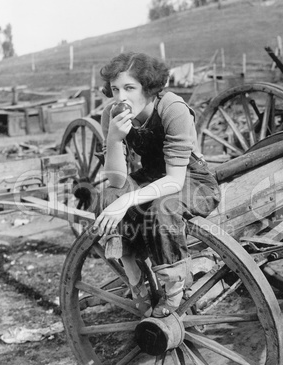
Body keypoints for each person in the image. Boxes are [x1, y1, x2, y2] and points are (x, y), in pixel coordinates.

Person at [93, 52, 220, 318]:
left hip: (190, 178)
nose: (120, 98)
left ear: (149, 89)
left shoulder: (173, 109)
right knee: (107, 196)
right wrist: (114, 139)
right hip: (152, 176)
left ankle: (174, 285)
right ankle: (134, 276)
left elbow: (175, 180)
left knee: (163, 208)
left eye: (130, 88)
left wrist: (128, 200)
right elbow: (116, 179)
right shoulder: (112, 114)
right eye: (115, 89)